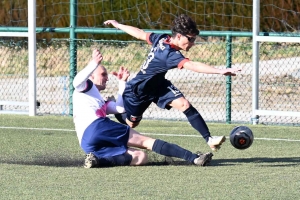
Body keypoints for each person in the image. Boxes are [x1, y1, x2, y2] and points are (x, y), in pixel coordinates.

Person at [104, 14, 241, 151]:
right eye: (191, 39)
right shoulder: (170, 54)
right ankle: (115, 107)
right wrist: (220, 71)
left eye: (194, 39)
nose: (193, 43)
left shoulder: (162, 38)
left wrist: (118, 24)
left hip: (159, 86)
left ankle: (209, 139)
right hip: (139, 91)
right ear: (179, 36)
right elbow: (193, 65)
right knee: (131, 123)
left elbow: (140, 33)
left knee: (184, 104)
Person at [72, 49, 213, 168]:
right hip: (97, 127)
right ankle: (194, 158)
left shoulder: (96, 98)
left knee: (140, 157)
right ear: (90, 76)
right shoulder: (87, 86)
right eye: (103, 74)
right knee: (146, 142)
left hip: (87, 142)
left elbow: (120, 108)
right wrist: (94, 63)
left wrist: (122, 83)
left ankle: (98, 161)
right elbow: (76, 82)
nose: (107, 78)